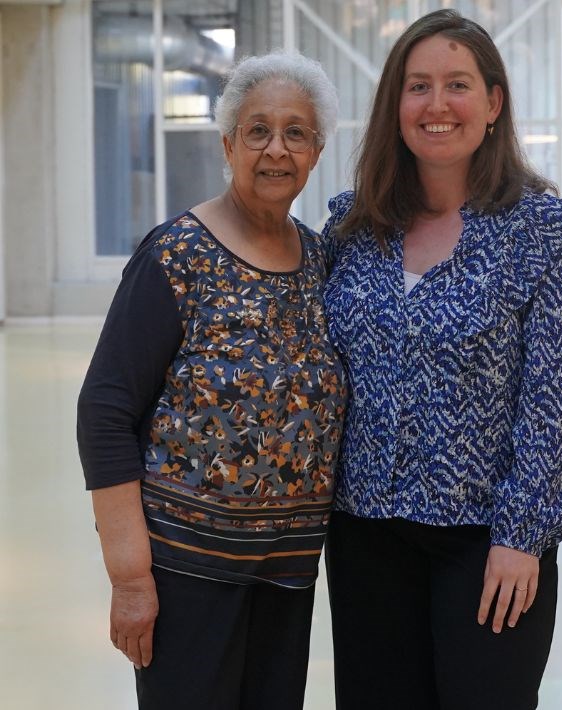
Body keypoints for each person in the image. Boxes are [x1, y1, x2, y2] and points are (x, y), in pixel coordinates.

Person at [322, 9, 562, 710]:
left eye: (457, 84)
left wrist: (521, 537)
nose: (436, 105)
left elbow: (555, 409)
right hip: (366, 540)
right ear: (396, 106)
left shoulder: (542, 235)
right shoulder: (352, 230)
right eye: (418, 87)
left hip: (485, 546)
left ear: (493, 102)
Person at [77, 51, 346, 710]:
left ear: (316, 152)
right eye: (257, 131)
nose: (275, 149)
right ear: (228, 145)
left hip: (286, 573)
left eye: (295, 133)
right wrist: (129, 574)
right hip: (184, 573)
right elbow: (104, 411)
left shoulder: (320, 261)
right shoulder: (177, 255)